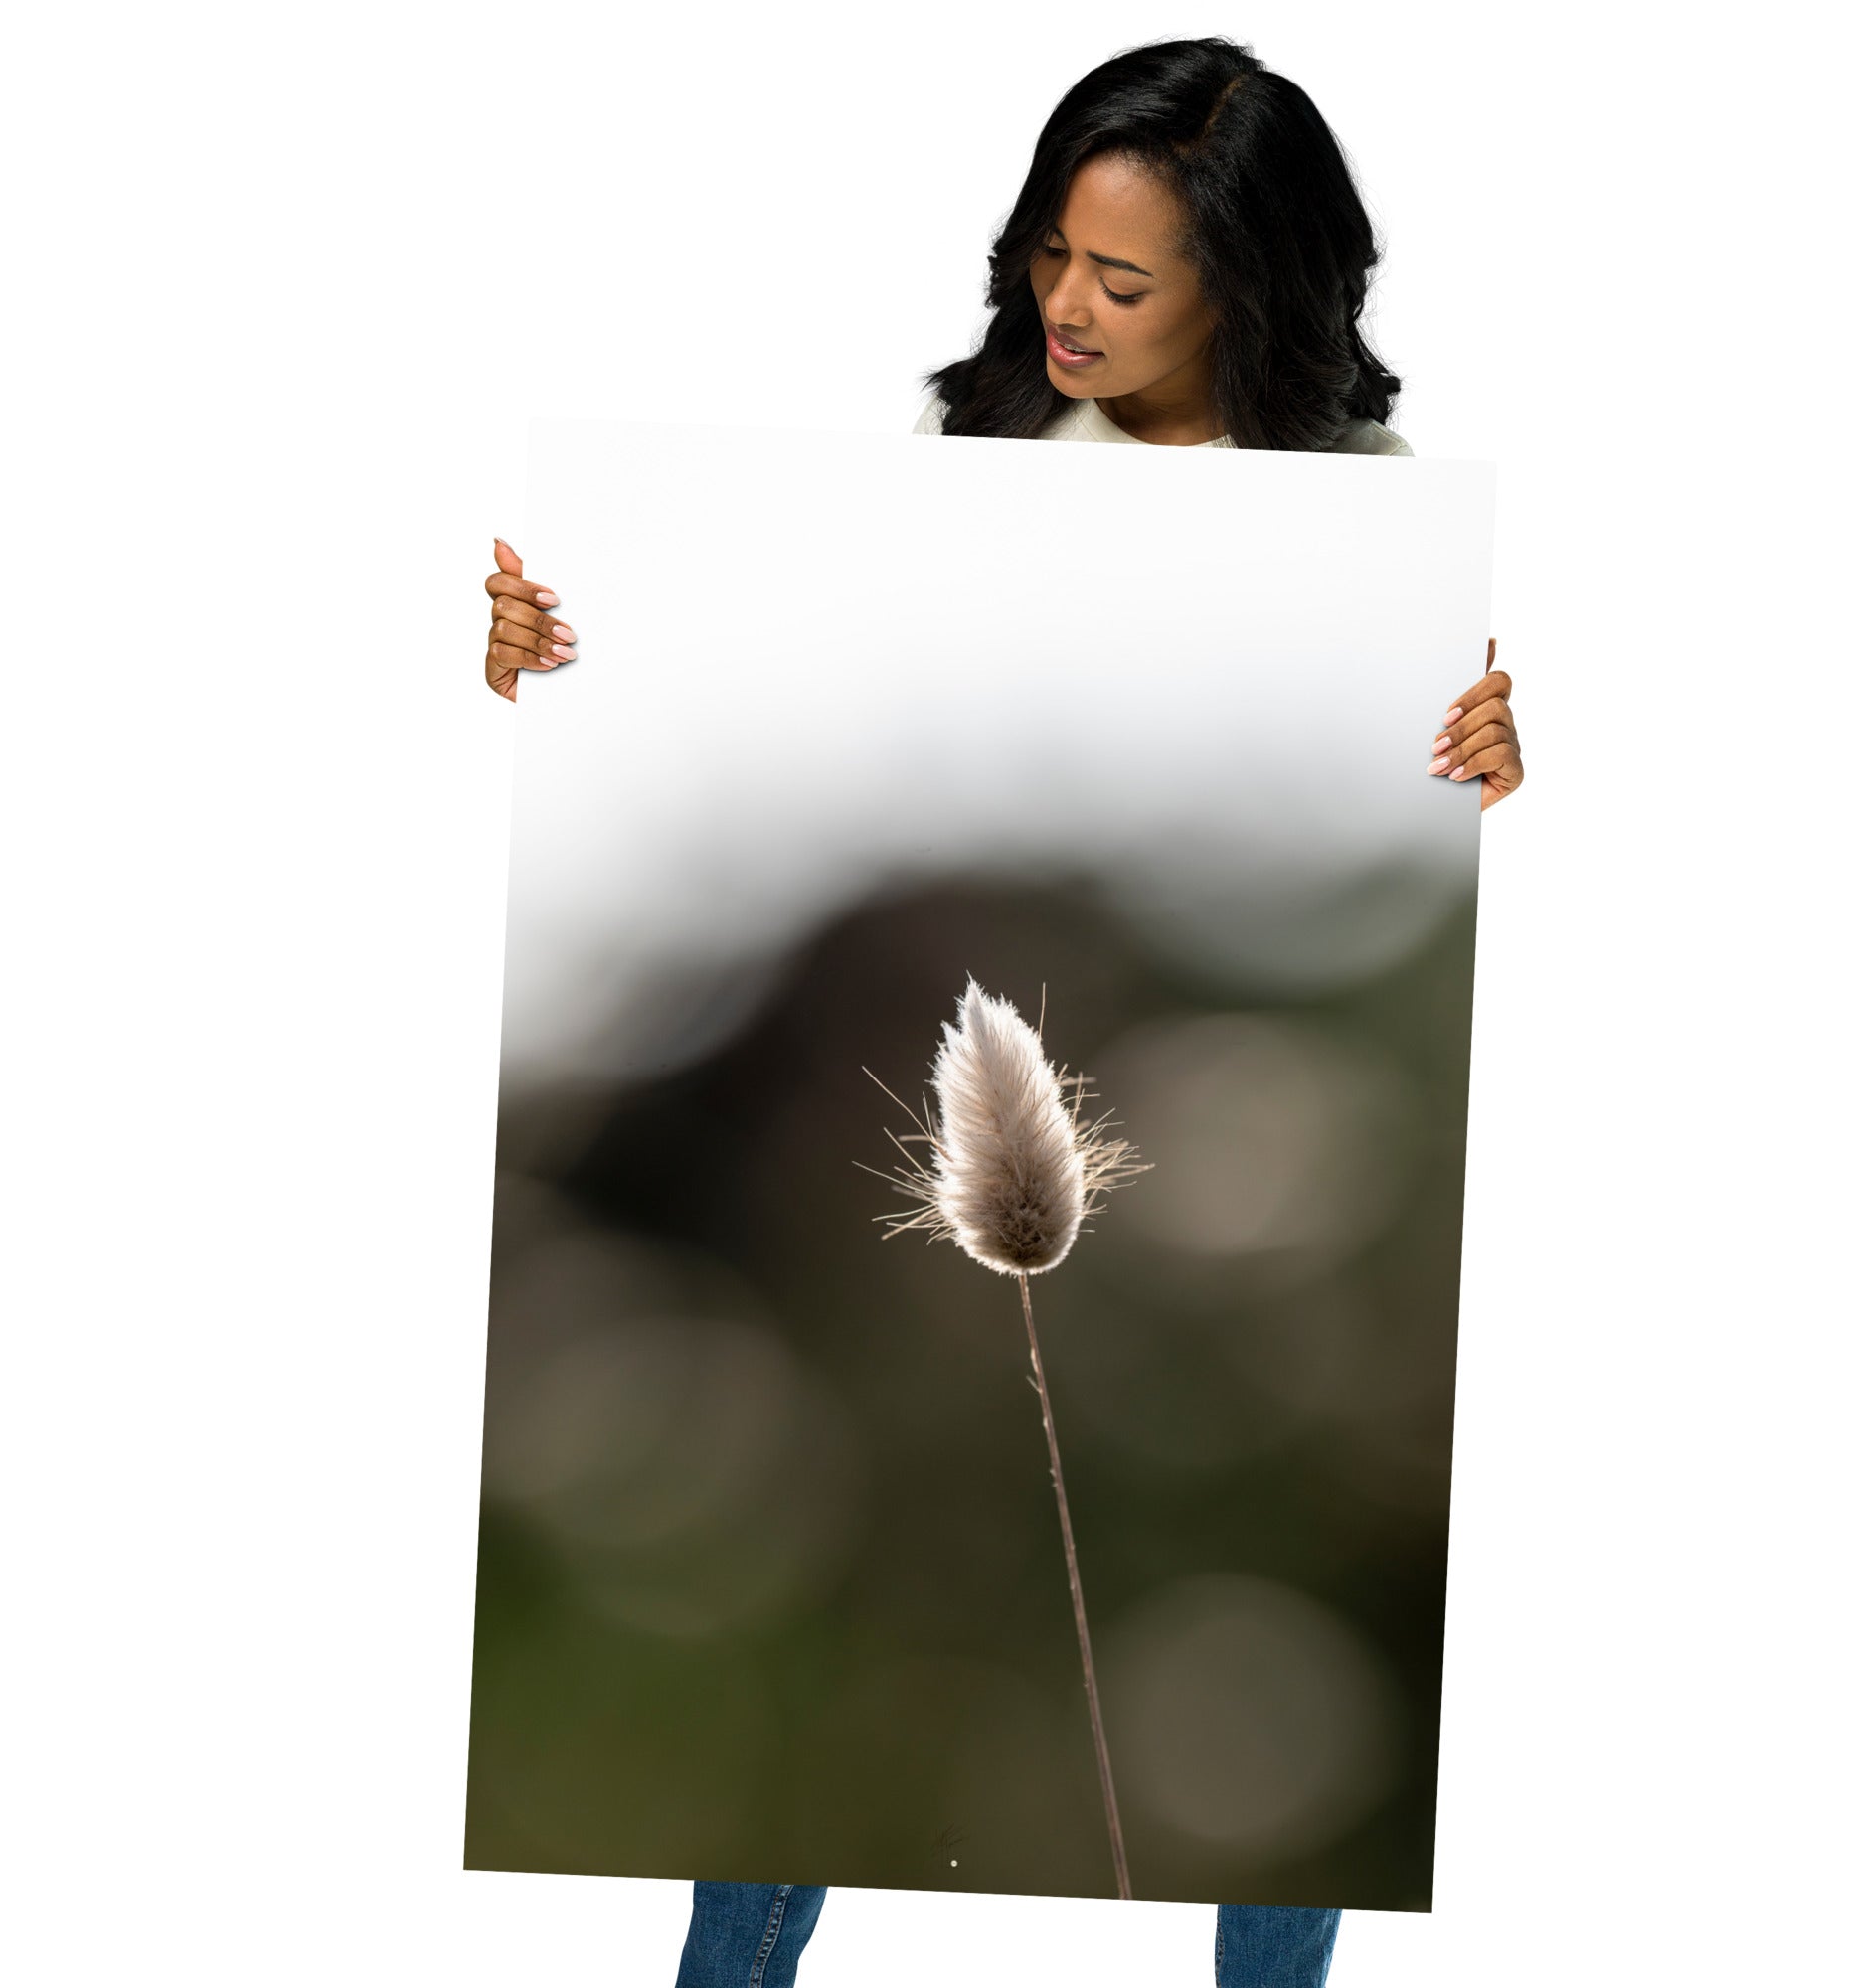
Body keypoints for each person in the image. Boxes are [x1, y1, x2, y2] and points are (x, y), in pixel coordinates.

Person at [479, 35, 1524, 1988]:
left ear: (1255, 286)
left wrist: (1518, 747)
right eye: (1052, 253)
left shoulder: (1384, 509)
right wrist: (503, 650)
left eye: (1123, 281)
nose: (1067, 306)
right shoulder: (966, 446)